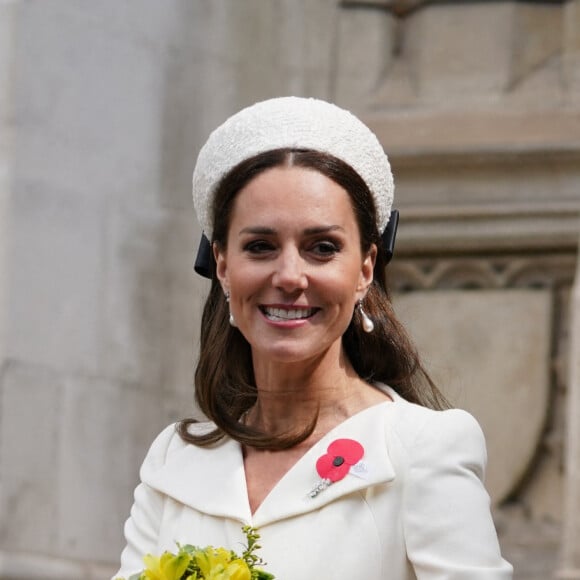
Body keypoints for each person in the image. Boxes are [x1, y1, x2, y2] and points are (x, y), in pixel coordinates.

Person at [113, 97, 513, 579]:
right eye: (260, 247)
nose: (289, 276)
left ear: (365, 268)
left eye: (321, 248)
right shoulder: (175, 461)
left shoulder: (423, 449)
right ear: (222, 265)